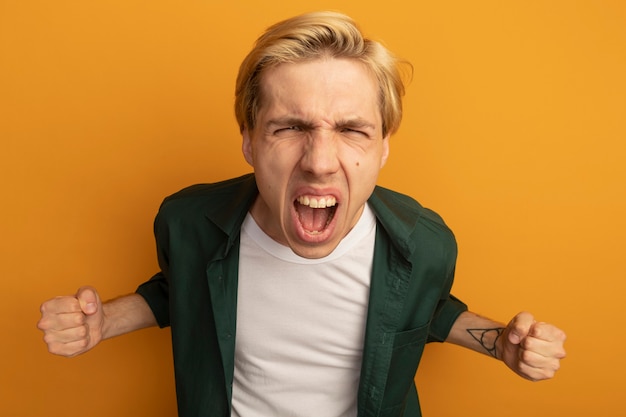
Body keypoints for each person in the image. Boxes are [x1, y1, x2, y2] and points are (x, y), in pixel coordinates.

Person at [37, 11, 566, 417]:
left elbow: (423, 309)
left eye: (352, 130)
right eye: (289, 127)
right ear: (248, 141)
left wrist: (500, 344)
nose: (318, 163)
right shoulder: (188, 222)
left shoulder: (424, 242)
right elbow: (181, 290)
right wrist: (103, 322)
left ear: (383, 147)